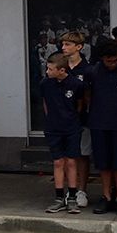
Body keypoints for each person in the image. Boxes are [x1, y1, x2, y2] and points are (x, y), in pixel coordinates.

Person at [86, 41, 117, 216]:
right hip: (98, 123)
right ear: (102, 58)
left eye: (115, 60)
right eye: (108, 61)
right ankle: (106, 196)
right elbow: (88, 95)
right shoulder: (93, 72)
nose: (112, 64)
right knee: (103, 162)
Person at [40, 54, 84, 214]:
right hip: (53, 128)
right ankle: (59, 197)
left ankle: (72, 197)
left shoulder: (76, 84)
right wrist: (51, 119)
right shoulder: (45, 84)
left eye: (51, 69)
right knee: (58, 162)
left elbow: (79, 105)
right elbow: (46, 103)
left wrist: (72, 120)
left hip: (71, 127)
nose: (47, 71)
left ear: (62, 70)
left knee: (71, 161)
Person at [59, 31, 91, 208]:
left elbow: (89, 96)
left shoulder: (88, 69)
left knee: (82, 155)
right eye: (62, 44)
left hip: (82, 119)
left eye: (68, 44)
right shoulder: (59, 66)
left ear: (79, 47)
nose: (63, 48)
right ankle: (68, 190)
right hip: (62, 119)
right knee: (65, 156)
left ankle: (81, 190)